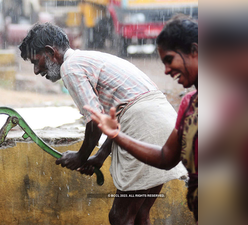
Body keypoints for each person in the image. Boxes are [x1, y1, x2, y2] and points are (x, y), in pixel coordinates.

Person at [19, 22, 187, 224]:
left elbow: (96, 122)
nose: (37, 71)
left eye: (35, 62)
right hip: (161, 122)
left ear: (50, 52)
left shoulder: (70, 69)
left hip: (143, 124)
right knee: (140, 214)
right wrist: (99, 156)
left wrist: (81, 156)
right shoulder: (88, 59)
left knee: (120, 217)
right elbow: (115, 120)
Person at [83, 15, 198, 222]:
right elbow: (165, 158)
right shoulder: (189, 105)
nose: (166, 70)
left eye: (170, 60)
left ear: (195, 51)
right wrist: (116, 135)